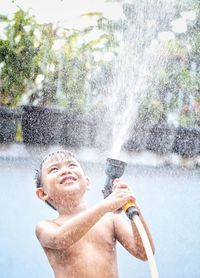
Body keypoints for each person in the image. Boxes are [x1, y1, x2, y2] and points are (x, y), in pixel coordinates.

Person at [35, 150, 155, 278]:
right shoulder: (46, 227)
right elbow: (61, 239)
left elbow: (144, 253)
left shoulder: (111, 220)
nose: (65, 170)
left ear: (87, 182)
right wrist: (106, 205)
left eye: (72, 165)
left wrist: (132, 204)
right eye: (54, 169)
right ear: (43, 193)